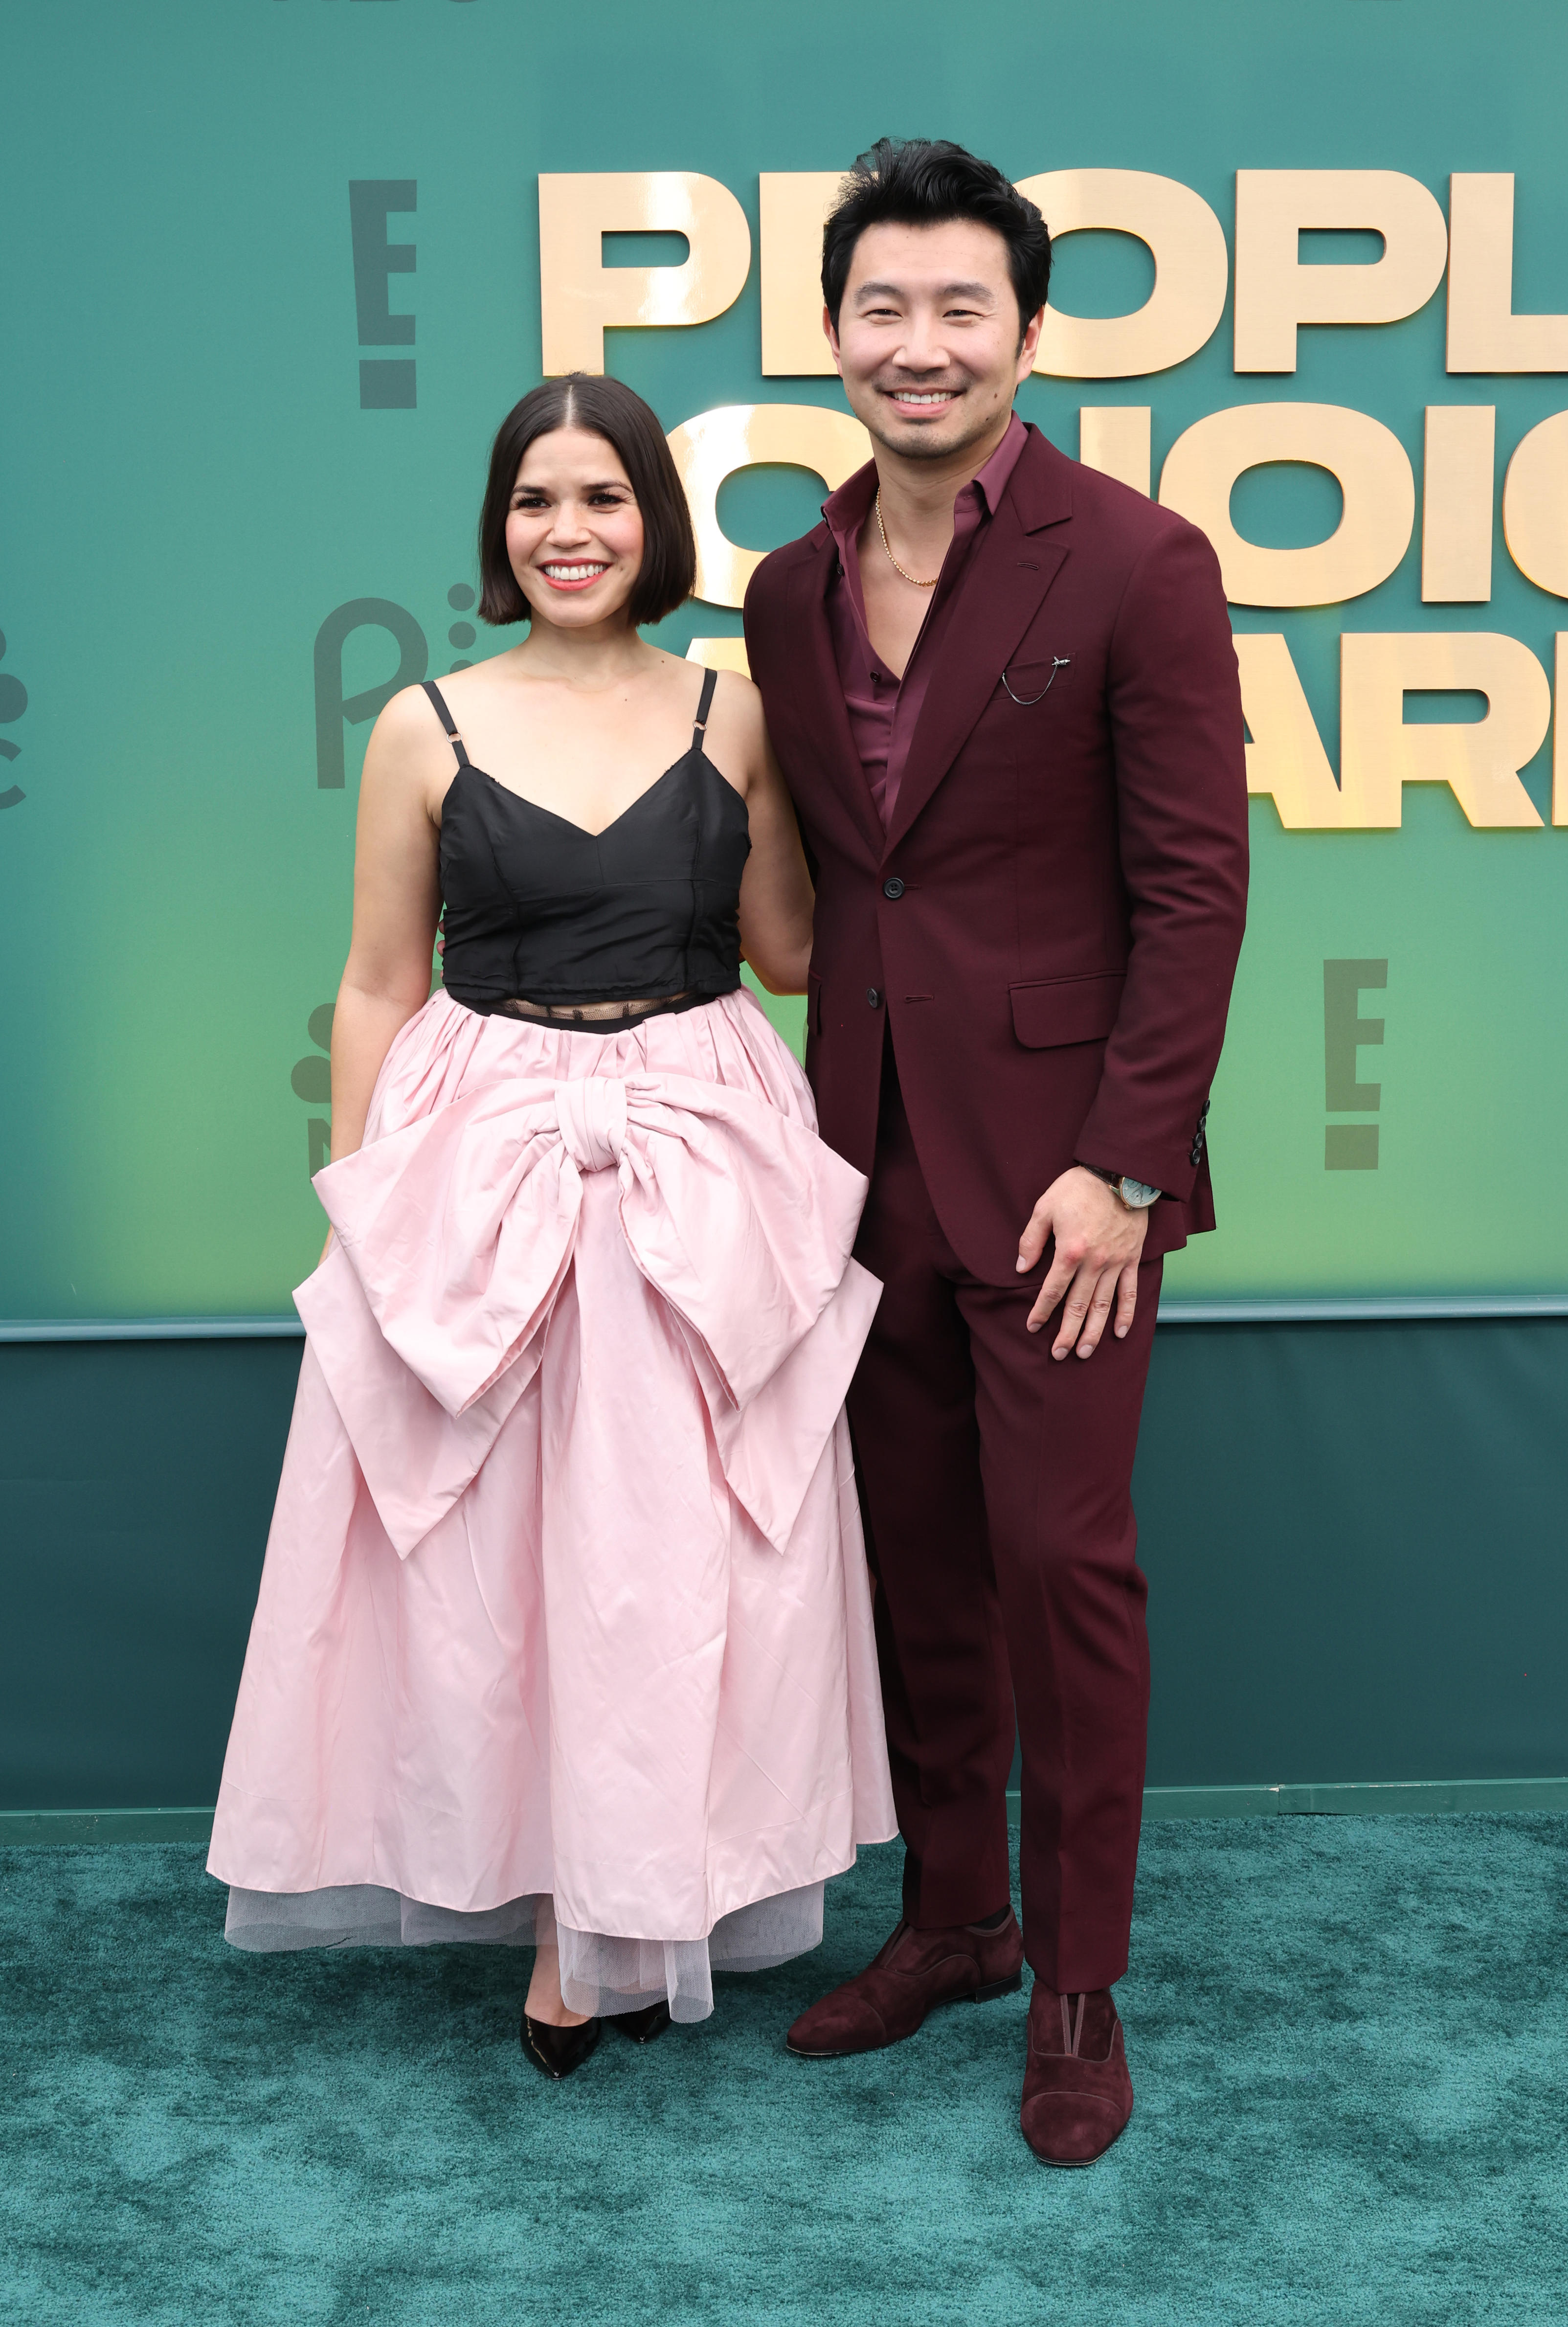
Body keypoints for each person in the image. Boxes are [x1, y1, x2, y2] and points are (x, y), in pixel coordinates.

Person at [208, 376, 895, 2078]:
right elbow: (377, 982)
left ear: (656, 522)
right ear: (498, 529)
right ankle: (549, 1909)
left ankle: (637, 1897)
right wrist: (367, 1216)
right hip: (480, 1153)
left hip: (696, 1138)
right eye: (535, 500)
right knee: (498, 1559)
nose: (568, 530)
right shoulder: (421, 724)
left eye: (602, 498)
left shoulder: (735, 709)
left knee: (673, 1553)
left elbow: (796, 953)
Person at [743, 140, 1249, 2165]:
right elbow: (822, 890)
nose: (920, 343)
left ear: (1025, 333)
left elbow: (1197, 890)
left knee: (1064, 1568)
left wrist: (1126, 1167)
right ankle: (954, 1917)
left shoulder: (1136, 561)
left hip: (1064, 1189)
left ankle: (1075, 1980)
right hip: (854, 1161)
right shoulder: (788, 585)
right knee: (919, 1574)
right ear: (837, 333)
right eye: (884, 307)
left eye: (963, 308)